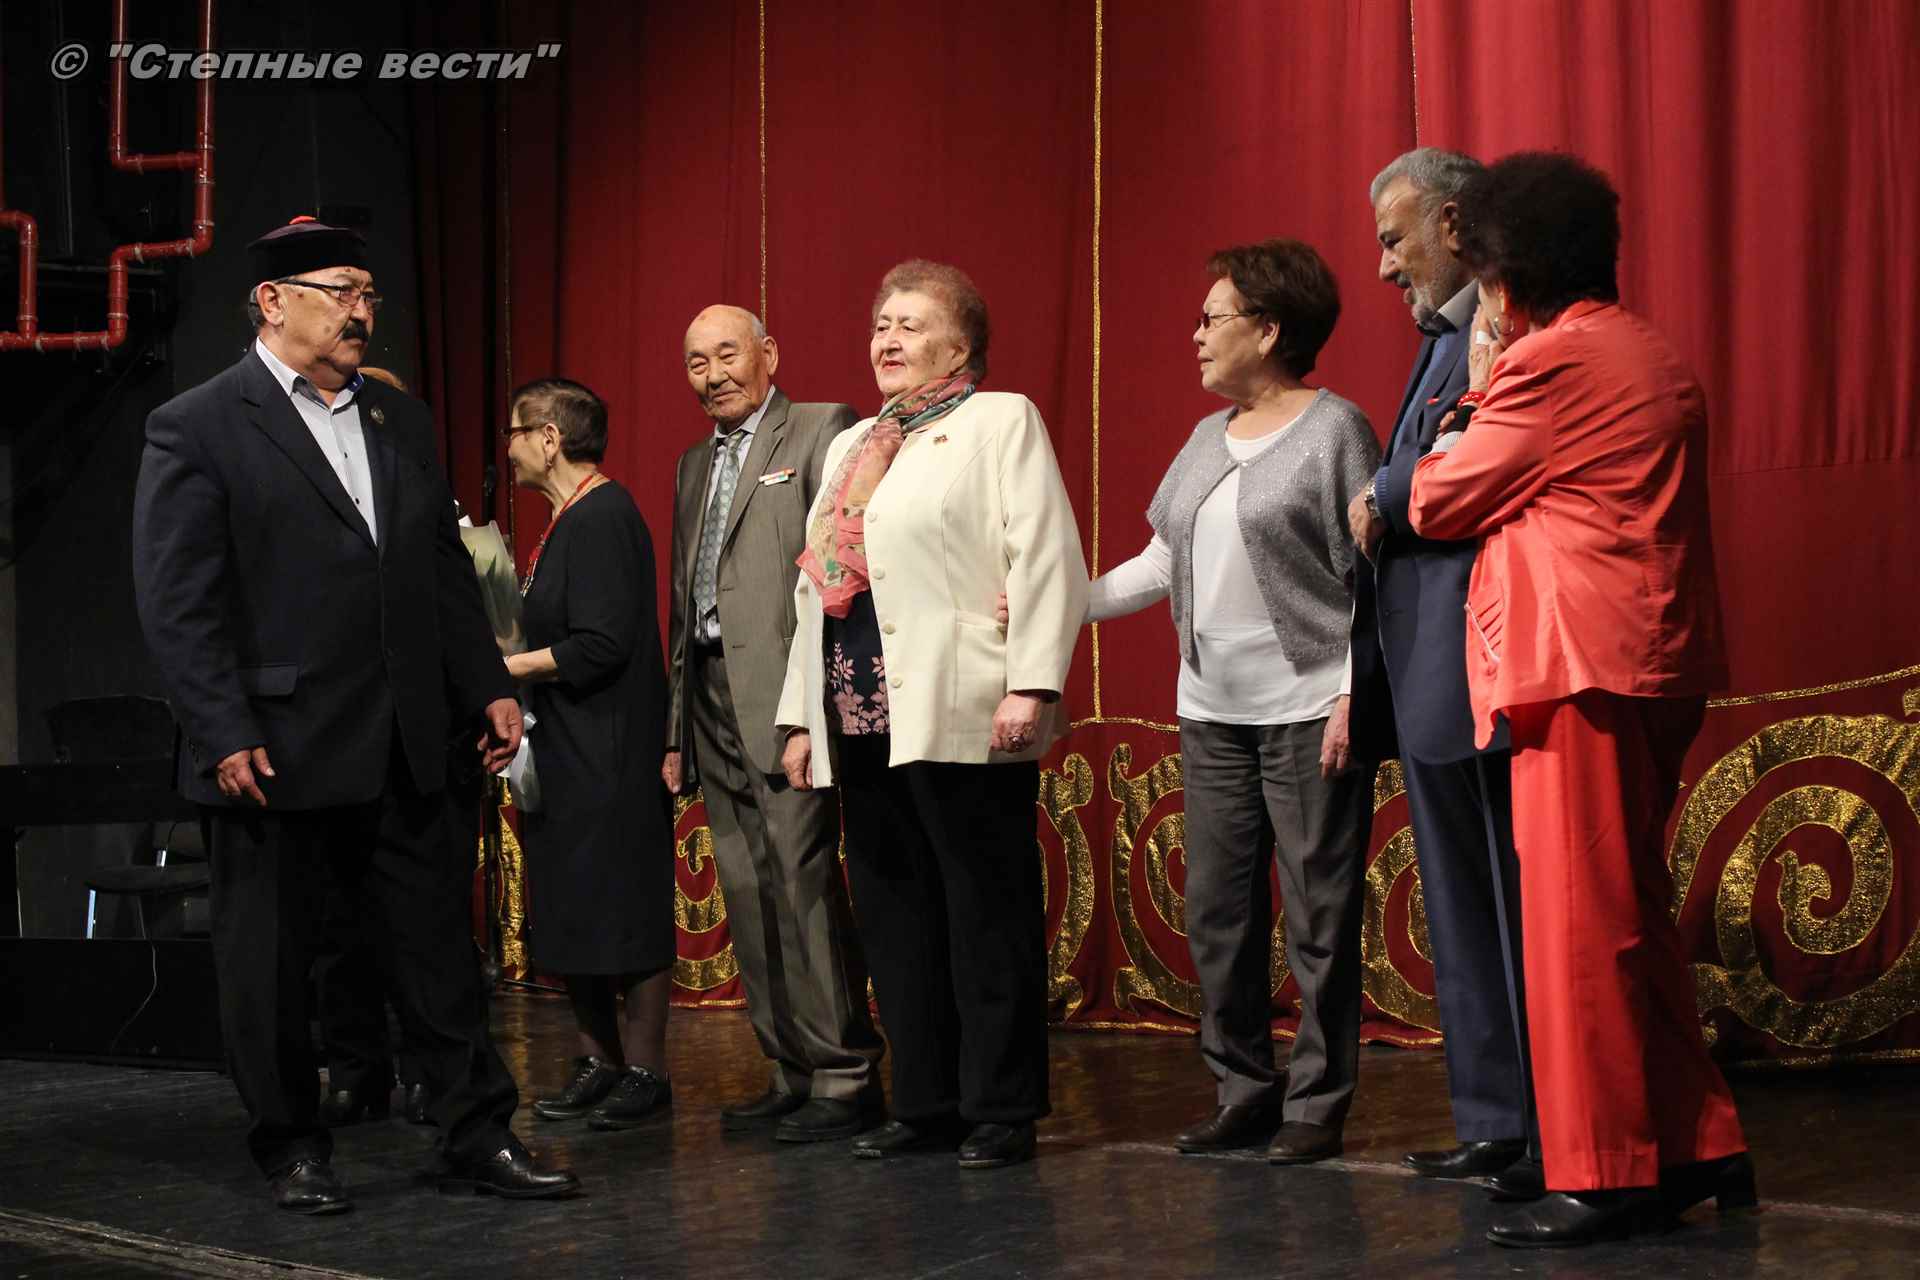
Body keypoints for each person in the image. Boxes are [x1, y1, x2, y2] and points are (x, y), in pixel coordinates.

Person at [131, 216, 577, 1214]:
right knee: (274, 966)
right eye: (340, 291)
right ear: (272, 301)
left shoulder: (396, 419)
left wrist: (487, 683)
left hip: (406, 739)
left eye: (369, 293)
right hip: (274, 747)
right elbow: (177, 598)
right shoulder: (199, 424)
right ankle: (293, 1146)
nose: (361, 311)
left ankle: (475, 1132)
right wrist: (221, 726)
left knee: (436, 953)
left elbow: (438, 569)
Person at [1406, 153, 1752, 1248]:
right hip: (1646, 657)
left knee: (1578, 928)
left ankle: (1604, 1169)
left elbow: (1437, 497)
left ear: (1504, 278)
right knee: (1629, 915)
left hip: (1577, 667)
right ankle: (1700, 1141)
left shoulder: (1547, 364)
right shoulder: (1647, 348)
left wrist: (1476, 391)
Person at [776, 260, 1088, 1169]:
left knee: (984, 910)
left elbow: (1044, 552)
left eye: (911, 325)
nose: (888, 338)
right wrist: (800, 717)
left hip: (963, 701)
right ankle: (925, 1102)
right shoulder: (853, 443)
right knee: (895, 914)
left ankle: (1000, 1106)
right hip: (859, 706)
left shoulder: (1000, 420)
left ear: (960, 345)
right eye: (881, 323)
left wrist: (1032, 681)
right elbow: (814, 590)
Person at [1088, 240, 1379, 1165]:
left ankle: (1316, 1104)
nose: (1197, 335)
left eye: (1213, 318)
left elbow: (1371, 576)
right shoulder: (1203, 439)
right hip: (1211, 712)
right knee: (1217, 910)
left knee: (1319, 915)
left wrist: (1351, 694)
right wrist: (1062, 603)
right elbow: (1159, 562)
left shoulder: (1336, 430)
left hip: (1308, 707)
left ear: (1269, 328)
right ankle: (1244, 1089)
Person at [1344, 147, 1537, 1188]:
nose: (1385, 266)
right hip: (1428, 672)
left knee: (1512, 905)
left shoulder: (1506, 326)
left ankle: (1547, 1124)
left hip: (1483, 664)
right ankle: (1495, 1118)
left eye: (1395, 239)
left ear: (1454, 223)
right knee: (1464, 909)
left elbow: (1474, 461)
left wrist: (1383, 492)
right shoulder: (1444, 338)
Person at [664, 306, 883, 1141]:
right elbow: (683, 602)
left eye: (728, 355)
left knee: (801, 882)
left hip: (788, 697)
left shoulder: (823, 428)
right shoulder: (692, 463)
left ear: (768, 355)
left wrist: (813, 706)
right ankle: (788, 1067)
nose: (713, 375)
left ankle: (844, 1074)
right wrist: (675, 731)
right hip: (710, 695)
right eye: (696, 363)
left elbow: (845, 564)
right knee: (747, 889)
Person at [502, 378, 678, 1133]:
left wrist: (507, 667)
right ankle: (596, 1059)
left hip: (610, 748)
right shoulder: (566, 519)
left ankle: (644, 1068)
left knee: (622, 904)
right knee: (573, 901)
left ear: (549, 439)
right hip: (567, 746)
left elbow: (603, 644)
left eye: (515, 432)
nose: (507, 449)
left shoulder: (604, 516)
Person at [309, 364, 435, 1131]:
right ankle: (356, 1071)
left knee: (418, 930)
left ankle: (428, 1072)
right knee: (339, 923)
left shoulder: (417, 495)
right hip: (331, 737)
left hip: (410, 737)